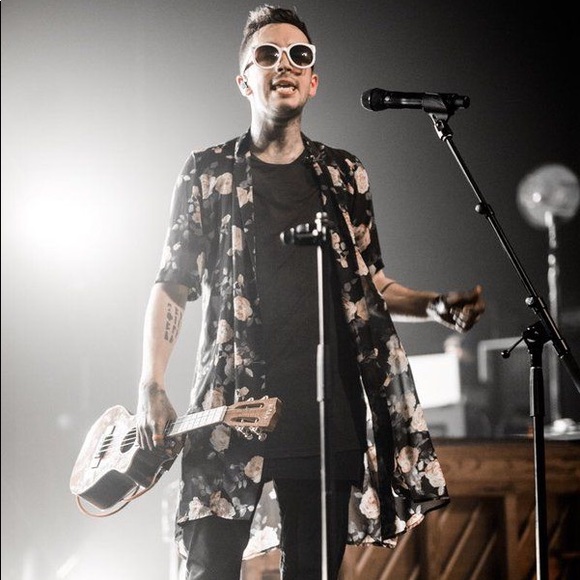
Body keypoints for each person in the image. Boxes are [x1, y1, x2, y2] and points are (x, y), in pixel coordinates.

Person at [135, 5, 486, 579]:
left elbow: (370, 283)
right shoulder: (208, 172)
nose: (285, 64)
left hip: (326, 416)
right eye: (267, 54)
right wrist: (152, 382)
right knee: (207, 569)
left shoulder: (345, 174)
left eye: (299, 55)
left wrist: (433, 305)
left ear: (314, 81)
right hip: (230, 411)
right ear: (244, 80)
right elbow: (172, 284)